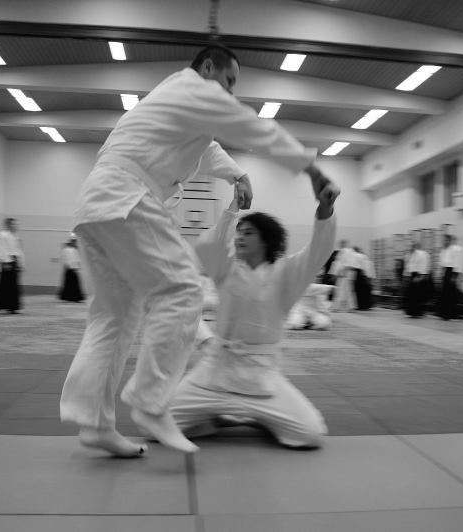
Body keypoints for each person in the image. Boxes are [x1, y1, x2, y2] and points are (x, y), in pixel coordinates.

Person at [59, 44, 335, 457]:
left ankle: (95, 423)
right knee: (183, 290)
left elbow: (207, 150)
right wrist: (311, 168)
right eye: (229, 80)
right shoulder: (191, 87)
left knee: (114, 318)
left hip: (96, 203)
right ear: (207, 67)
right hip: (127, 197)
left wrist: (236, 174)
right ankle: (150, 402)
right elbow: (250, 126)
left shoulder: (173, 104)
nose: (230, 91)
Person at [168, 177, 338, 449]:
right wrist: (233, 208)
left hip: (261, 379)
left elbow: (319, 251)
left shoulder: (287, 273)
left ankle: (260, 418)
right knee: (157, 423)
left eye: (248, 233)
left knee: (311, 433)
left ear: (266, 240)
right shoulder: (226, 268)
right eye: (239, 232)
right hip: (215, 374)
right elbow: (207, 246)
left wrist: (325, 210)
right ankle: (217, 417)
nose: (239, 237)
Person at [0, 218, 24, 314]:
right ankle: (9, 306)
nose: (16, 226)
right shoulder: (2, 234)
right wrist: (5, 262)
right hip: (7, 261)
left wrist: (20, 263)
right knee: (8, 285)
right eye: (13, 224)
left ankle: (10, 306)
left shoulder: (14, 235)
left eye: (16, 224)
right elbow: (1, 249)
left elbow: (17, 250)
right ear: (8, 225)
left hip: (14, 260)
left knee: (12, 285)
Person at [437, 234, 463, 320]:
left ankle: (451, 314)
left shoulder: (456, 249)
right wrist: (440, 274)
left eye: (447, 240)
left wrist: (455, 276)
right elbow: (442, 264)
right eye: (444, 240)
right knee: (444, 293)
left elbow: (458, 262)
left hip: (452, 271)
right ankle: (444, 313)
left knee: (451, 294)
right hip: (446, 271)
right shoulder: (443, 250)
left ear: (450, 240)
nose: (445, 241)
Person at [404, 241, 430, 318]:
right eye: (409, 247)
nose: (410, 248)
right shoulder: (410, 255)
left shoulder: (421, 254)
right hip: (412, 275)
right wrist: (407, 275)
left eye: (411, 246)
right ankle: (412, 312)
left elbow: (423, 265)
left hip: (418, 274)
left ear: (414, 246)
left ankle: (418, 312)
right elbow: (409, 266)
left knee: (418, 295)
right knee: (412, 295)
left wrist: (420, 276)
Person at [330, 240, 357, 311]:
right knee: (349, 291)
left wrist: (335, 274)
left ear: (343, 244)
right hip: (348, 274)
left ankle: (336, 307)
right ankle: (350, 307)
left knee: (339, 291)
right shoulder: (351, 251)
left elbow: (339, 263)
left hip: (342, 274)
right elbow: (352, 264)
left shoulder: (343, 251)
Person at [58, 236, 85, 303]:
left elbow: (77, 259)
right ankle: (72, 297)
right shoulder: (67, 250)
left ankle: (72, 297)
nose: (75, 244)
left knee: (72, 283)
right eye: (74, 242)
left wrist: (77, 266)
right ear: (72, 242)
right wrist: (72, 266)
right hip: (70, 268)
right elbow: (68, 259)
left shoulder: (74, 249)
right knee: (71, 283)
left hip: (72, 268)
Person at [352, 246, 374, 310]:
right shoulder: (365, 257)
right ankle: (365, 305)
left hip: (361, 275)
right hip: (364, 275)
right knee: (364, 292)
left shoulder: (359, 256)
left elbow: (361, 267)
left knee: (360, 291)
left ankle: (361, 305)